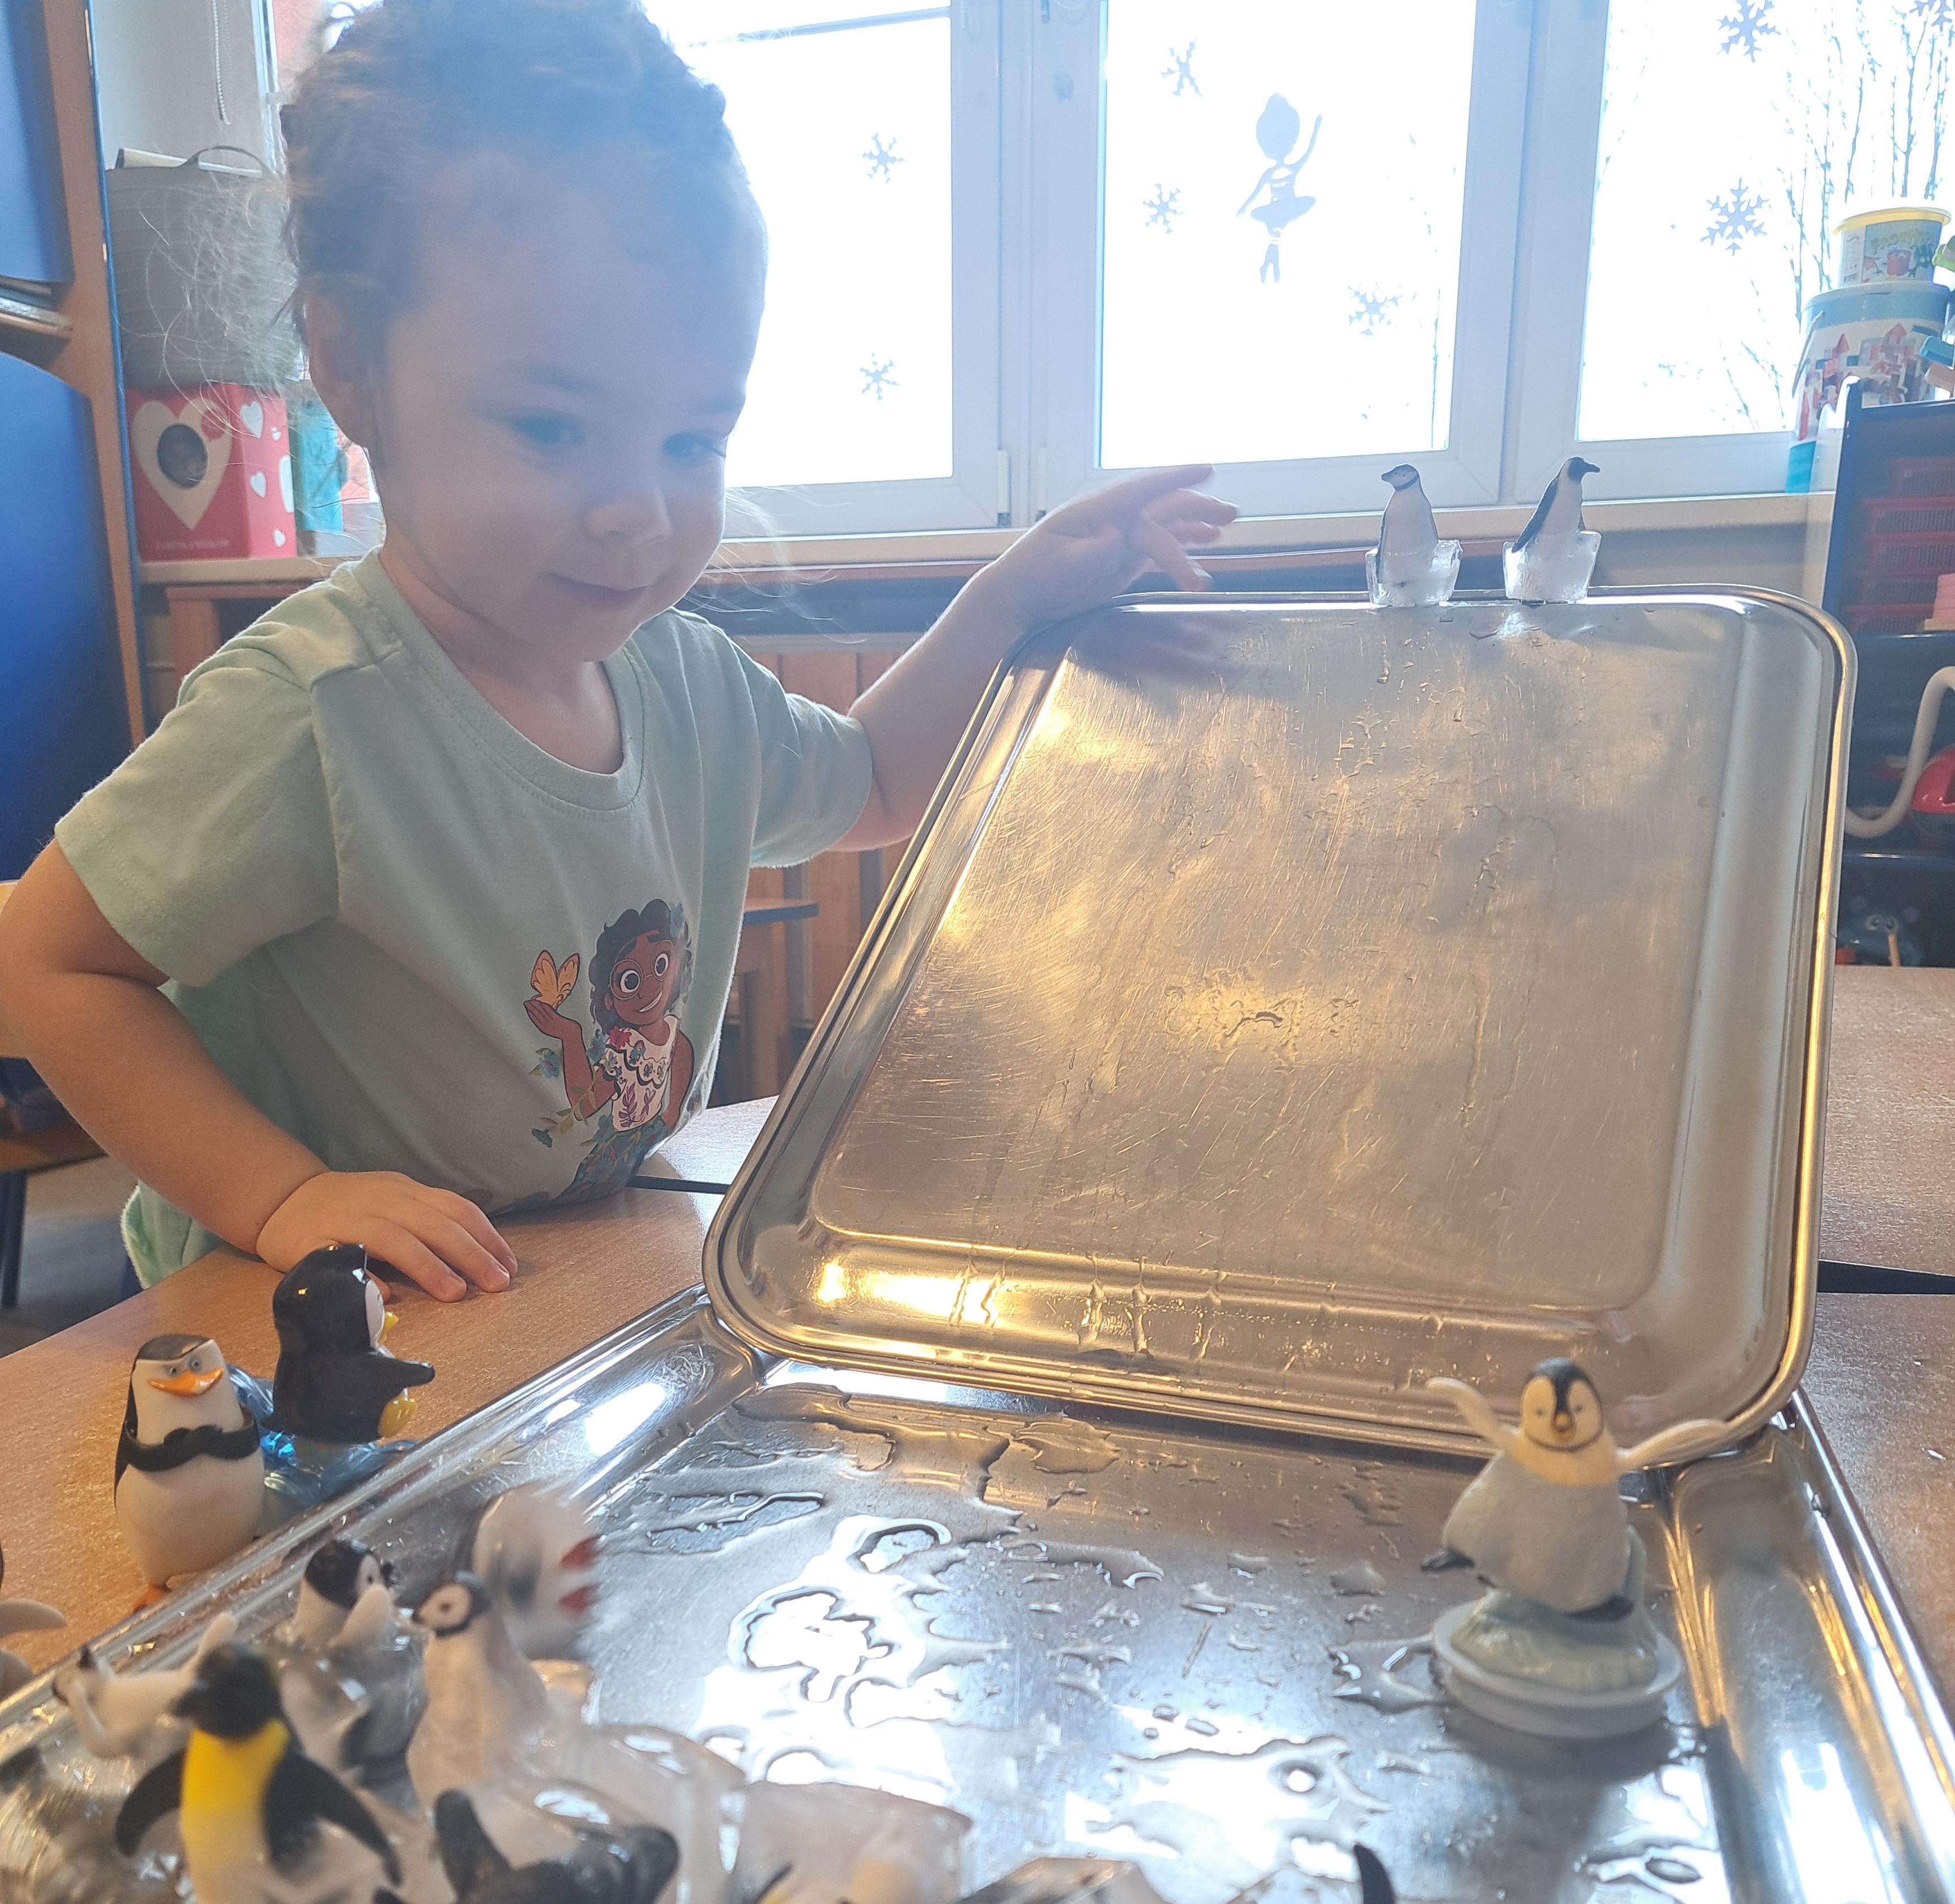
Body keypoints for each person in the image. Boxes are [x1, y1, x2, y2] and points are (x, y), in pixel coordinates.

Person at [0, 0, 1232, 1302]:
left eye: (693, 439)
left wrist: (1009, 598)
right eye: (552, 427)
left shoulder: (685, 681)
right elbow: (45, 962)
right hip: (307, 1313)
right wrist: (285, 1197)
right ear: (350, 364)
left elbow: (873, 781)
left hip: (552, 1270)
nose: (637, 509)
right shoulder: (313, 710)